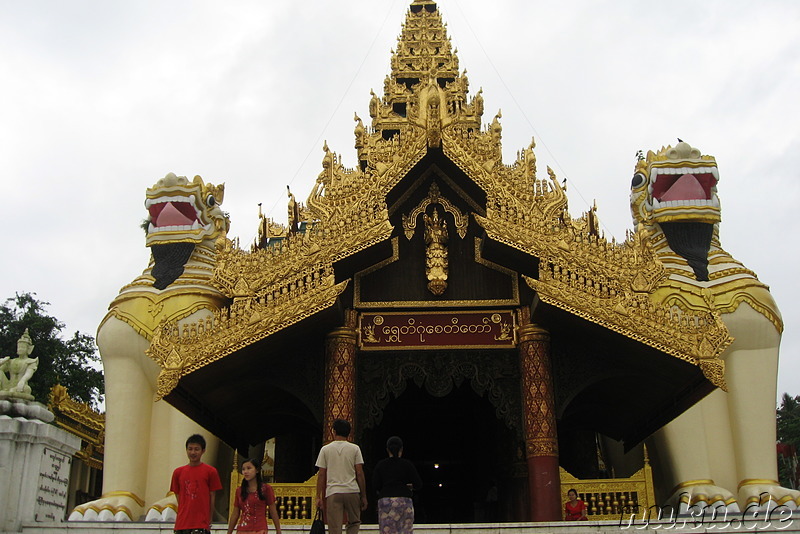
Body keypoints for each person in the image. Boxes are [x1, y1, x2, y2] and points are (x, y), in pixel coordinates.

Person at [315, 419, 367, 534]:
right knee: (354, 523)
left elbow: (322, 474)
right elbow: (359, 473)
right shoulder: (355, 449)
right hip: (352, 490)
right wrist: (363, 495)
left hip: (333, 491)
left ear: (333, 431)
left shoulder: (325, 449)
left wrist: (318, 496)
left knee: (334, 527)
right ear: (349, 432)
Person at [170, 434, 223, 534]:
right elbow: (178, 496)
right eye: (190, 449)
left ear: (203, 451)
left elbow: (212, 496)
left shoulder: (211, 471)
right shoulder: (178, 472)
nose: (193, 452)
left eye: (196, 449)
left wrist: (209, 518)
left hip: (201, 523)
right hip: (182, 524)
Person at [373, 436, 422, 534]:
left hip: (386, 501)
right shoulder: (407, 464)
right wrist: (409, 486)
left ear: (387, 450)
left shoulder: (381, 465)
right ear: (401, 449)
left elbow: (375, 485)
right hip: (404, 501)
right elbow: (418, 484)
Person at [227, 458, 282, 534]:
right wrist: (229, 532)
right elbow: (235, 513)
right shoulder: (239, 490)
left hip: (259, 529)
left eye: (249, 468)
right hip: (242, 530)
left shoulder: (266, 489)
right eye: (243, 469)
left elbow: (272, 511)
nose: (246, 472)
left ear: (257, 470)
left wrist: (278, 530)